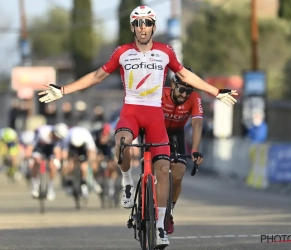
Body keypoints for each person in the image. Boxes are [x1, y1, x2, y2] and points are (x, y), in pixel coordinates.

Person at [38, 5, 238, 247]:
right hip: (131, 112)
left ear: (153, 27)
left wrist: (216, 92)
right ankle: (126, 181)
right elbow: (97, 77)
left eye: (147, 23)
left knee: (163, 170)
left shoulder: (166, 52)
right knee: (122, 145)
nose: (143, 27)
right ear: (133, 27)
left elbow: (186, 76)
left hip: (155, 117)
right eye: (138, 23)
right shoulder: (122, 52)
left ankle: (161, 227)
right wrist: (63, 90)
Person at [162, 67, 204, 234]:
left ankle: (168, 212)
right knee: (158, 168)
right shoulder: (160, 93)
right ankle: (146, 196)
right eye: (181, 89)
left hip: (176, 134)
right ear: (173, 85)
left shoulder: (195, 98)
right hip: (156, 131)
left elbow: (197, 124)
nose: (184, 95)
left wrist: (194, 149)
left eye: (189, 91)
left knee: (178, 176)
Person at [27, 123, 69, 200]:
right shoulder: (42, 132)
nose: (57, 139)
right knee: (36, 162)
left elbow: (57, 150)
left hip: (50, 149)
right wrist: (30, 158)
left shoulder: (58, 139)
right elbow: (31, 146)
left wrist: (57, 161)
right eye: (56, 137)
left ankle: (51, 188)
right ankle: (34, 187)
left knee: (53, 165)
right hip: (39, 147)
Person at [61, 126, 97, 198]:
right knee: (69, 164)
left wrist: (90, 161)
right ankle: (69, 182)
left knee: (84, 166)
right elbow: (64, 151)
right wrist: (65, 162)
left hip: (83, 148)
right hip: (71, 147)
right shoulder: (68, 137)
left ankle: (84, 182)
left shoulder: (87, 137)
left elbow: (92, 151)